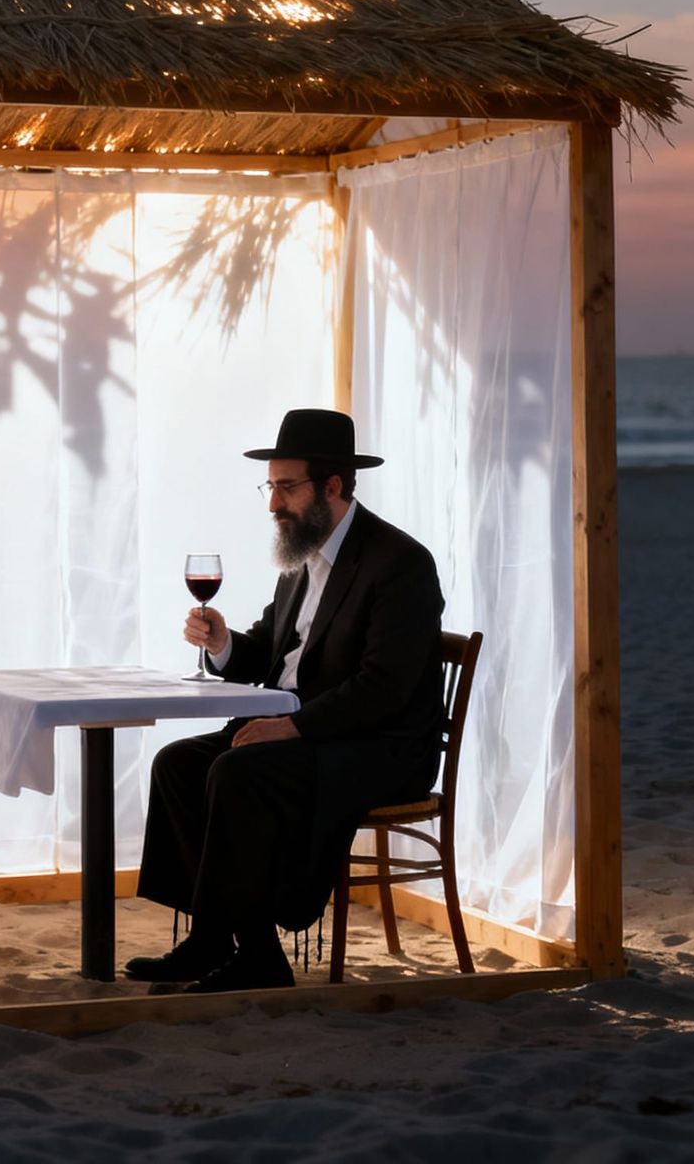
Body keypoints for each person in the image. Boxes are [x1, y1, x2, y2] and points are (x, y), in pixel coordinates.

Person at [127, 408, 444, 993]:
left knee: (237, 771)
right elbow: (275, 656)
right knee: (177, 765)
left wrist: (295, 727)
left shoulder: (399, 565)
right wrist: (223, 644)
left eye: (286, 486)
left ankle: (257, 958)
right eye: (270, 486)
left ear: (332, 486)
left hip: (378, 744)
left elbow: (384, 688)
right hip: (305, 730)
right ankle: (212, 938)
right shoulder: (300, 559)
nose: (273, 503)